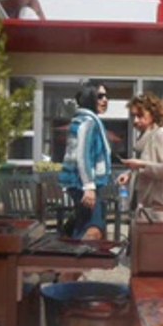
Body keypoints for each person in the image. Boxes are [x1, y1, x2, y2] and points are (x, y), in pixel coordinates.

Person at [59, 80, 113, 240]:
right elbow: (82, 155)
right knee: (94, 228)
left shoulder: (81, 120)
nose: (105, 100)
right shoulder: (88, 122)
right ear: (90, 97)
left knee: (83, 225)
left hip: (79, 183)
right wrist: (89, 187)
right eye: (100, 96)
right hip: (83, 184)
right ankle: (80, 253)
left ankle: (72, 249)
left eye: (106, 96)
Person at [117, 93, 163, 209]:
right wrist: (131, 174)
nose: (135, 120)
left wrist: (141, 165)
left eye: (140, 115)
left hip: (162, 205)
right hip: (146, 204)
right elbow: (150, 164)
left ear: (153, 114)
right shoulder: (145, 137)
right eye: (133, 116)